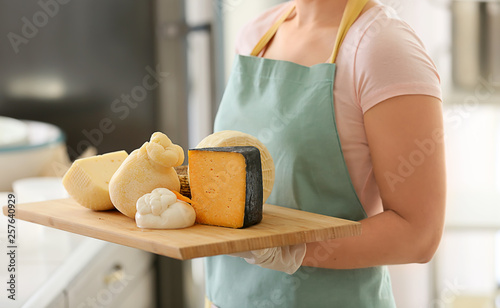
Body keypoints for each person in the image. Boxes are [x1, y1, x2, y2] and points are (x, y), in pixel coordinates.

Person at [205, 0, 446, 307]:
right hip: (226, 298)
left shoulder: (384, 47)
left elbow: (419, 234)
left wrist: (290, 249)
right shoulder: (256, 34)